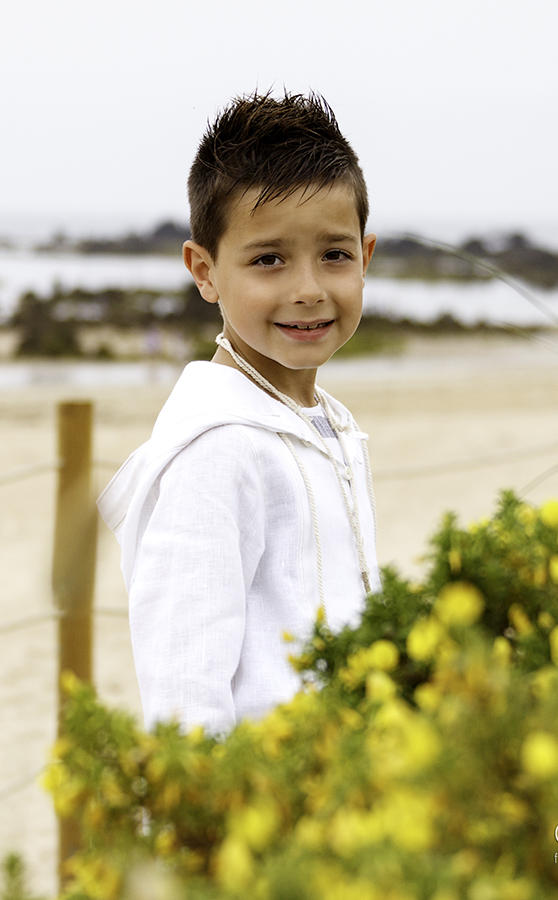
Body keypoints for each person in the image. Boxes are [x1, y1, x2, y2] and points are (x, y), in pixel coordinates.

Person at [98, 92, 380, 735]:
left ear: (364, 260)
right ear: (205, 271)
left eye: (333, 254)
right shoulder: (215, 452)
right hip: (264, 814)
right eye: (268, 259)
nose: (307, 288)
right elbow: (184, 699)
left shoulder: (328, 423)